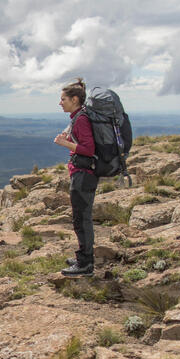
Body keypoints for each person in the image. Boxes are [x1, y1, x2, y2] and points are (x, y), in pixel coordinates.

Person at [54, 79, 98, 277]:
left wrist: (65, 144)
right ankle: (83, 258)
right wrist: (68, 138)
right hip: (82, 174)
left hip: (84, 175)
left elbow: (88, 149)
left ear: (75, 99)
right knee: (81, 218)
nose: (60, 103)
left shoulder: (81, 119)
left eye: (63, 99)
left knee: (82, 219)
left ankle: (85, 264)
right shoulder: (78, 117)